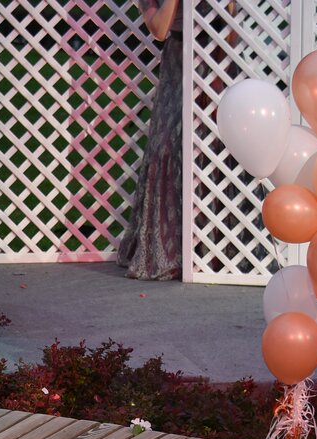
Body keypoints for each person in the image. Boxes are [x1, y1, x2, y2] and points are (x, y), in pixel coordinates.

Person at [116, 0, 182, 281]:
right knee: (167, 146)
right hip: (179, 58)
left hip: (216, 57)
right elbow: (159, 29)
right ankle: (169, 250)